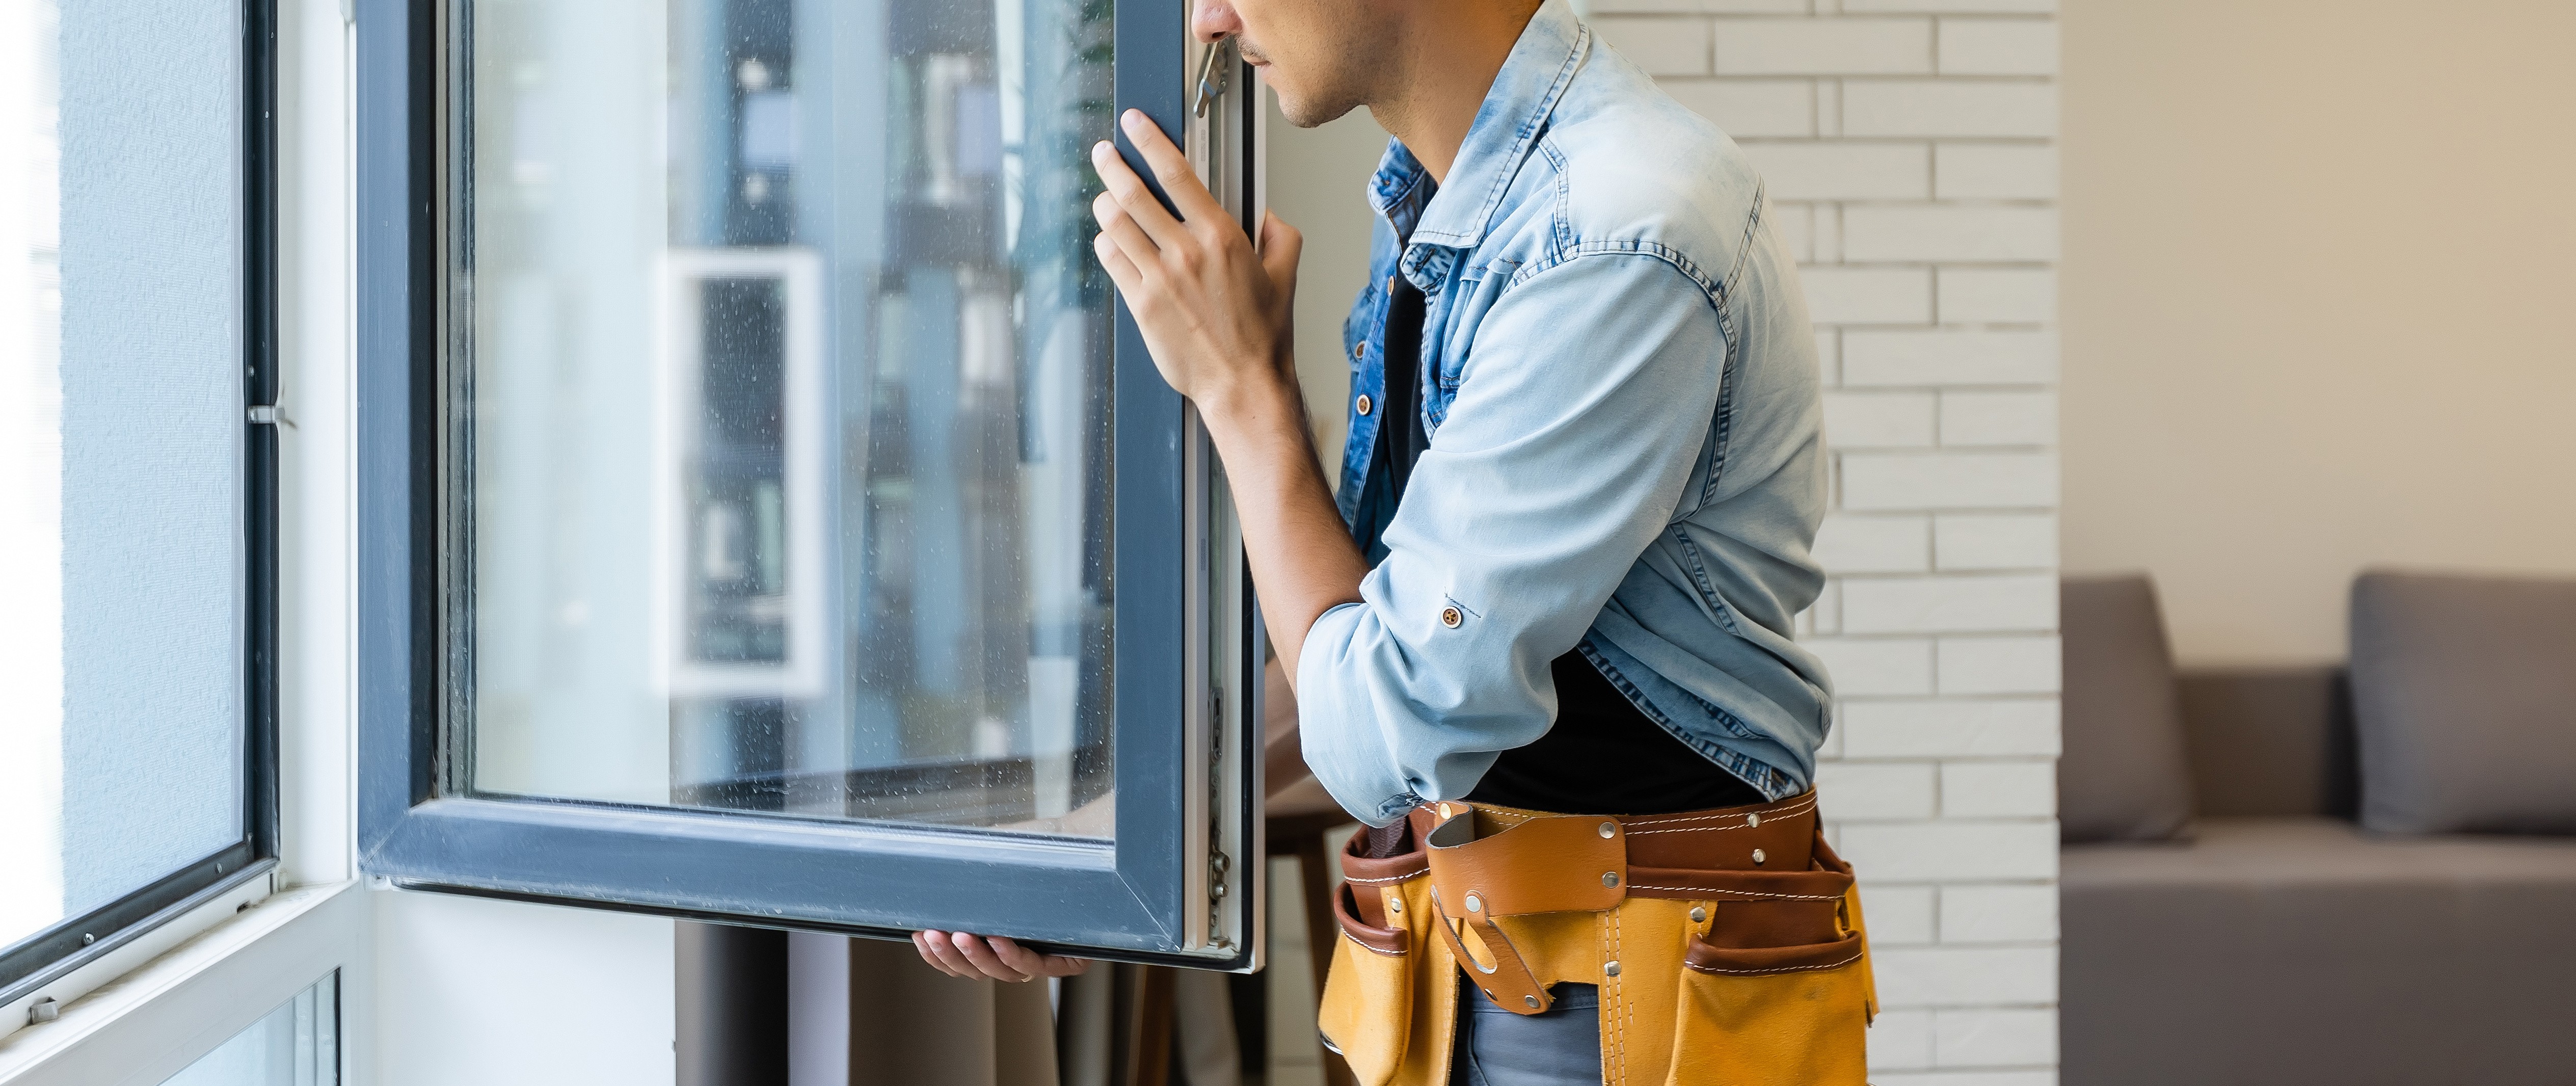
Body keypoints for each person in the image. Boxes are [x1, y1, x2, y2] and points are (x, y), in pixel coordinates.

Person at [919, 0, 1875, 1079]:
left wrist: (1243, 395)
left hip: (1632, 1004)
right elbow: (1359, 654)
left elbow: (1385, 730)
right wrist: (1101, 843)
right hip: (1483, 973)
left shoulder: (1618, 231)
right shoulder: (1445, 200)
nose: (1212, 20)